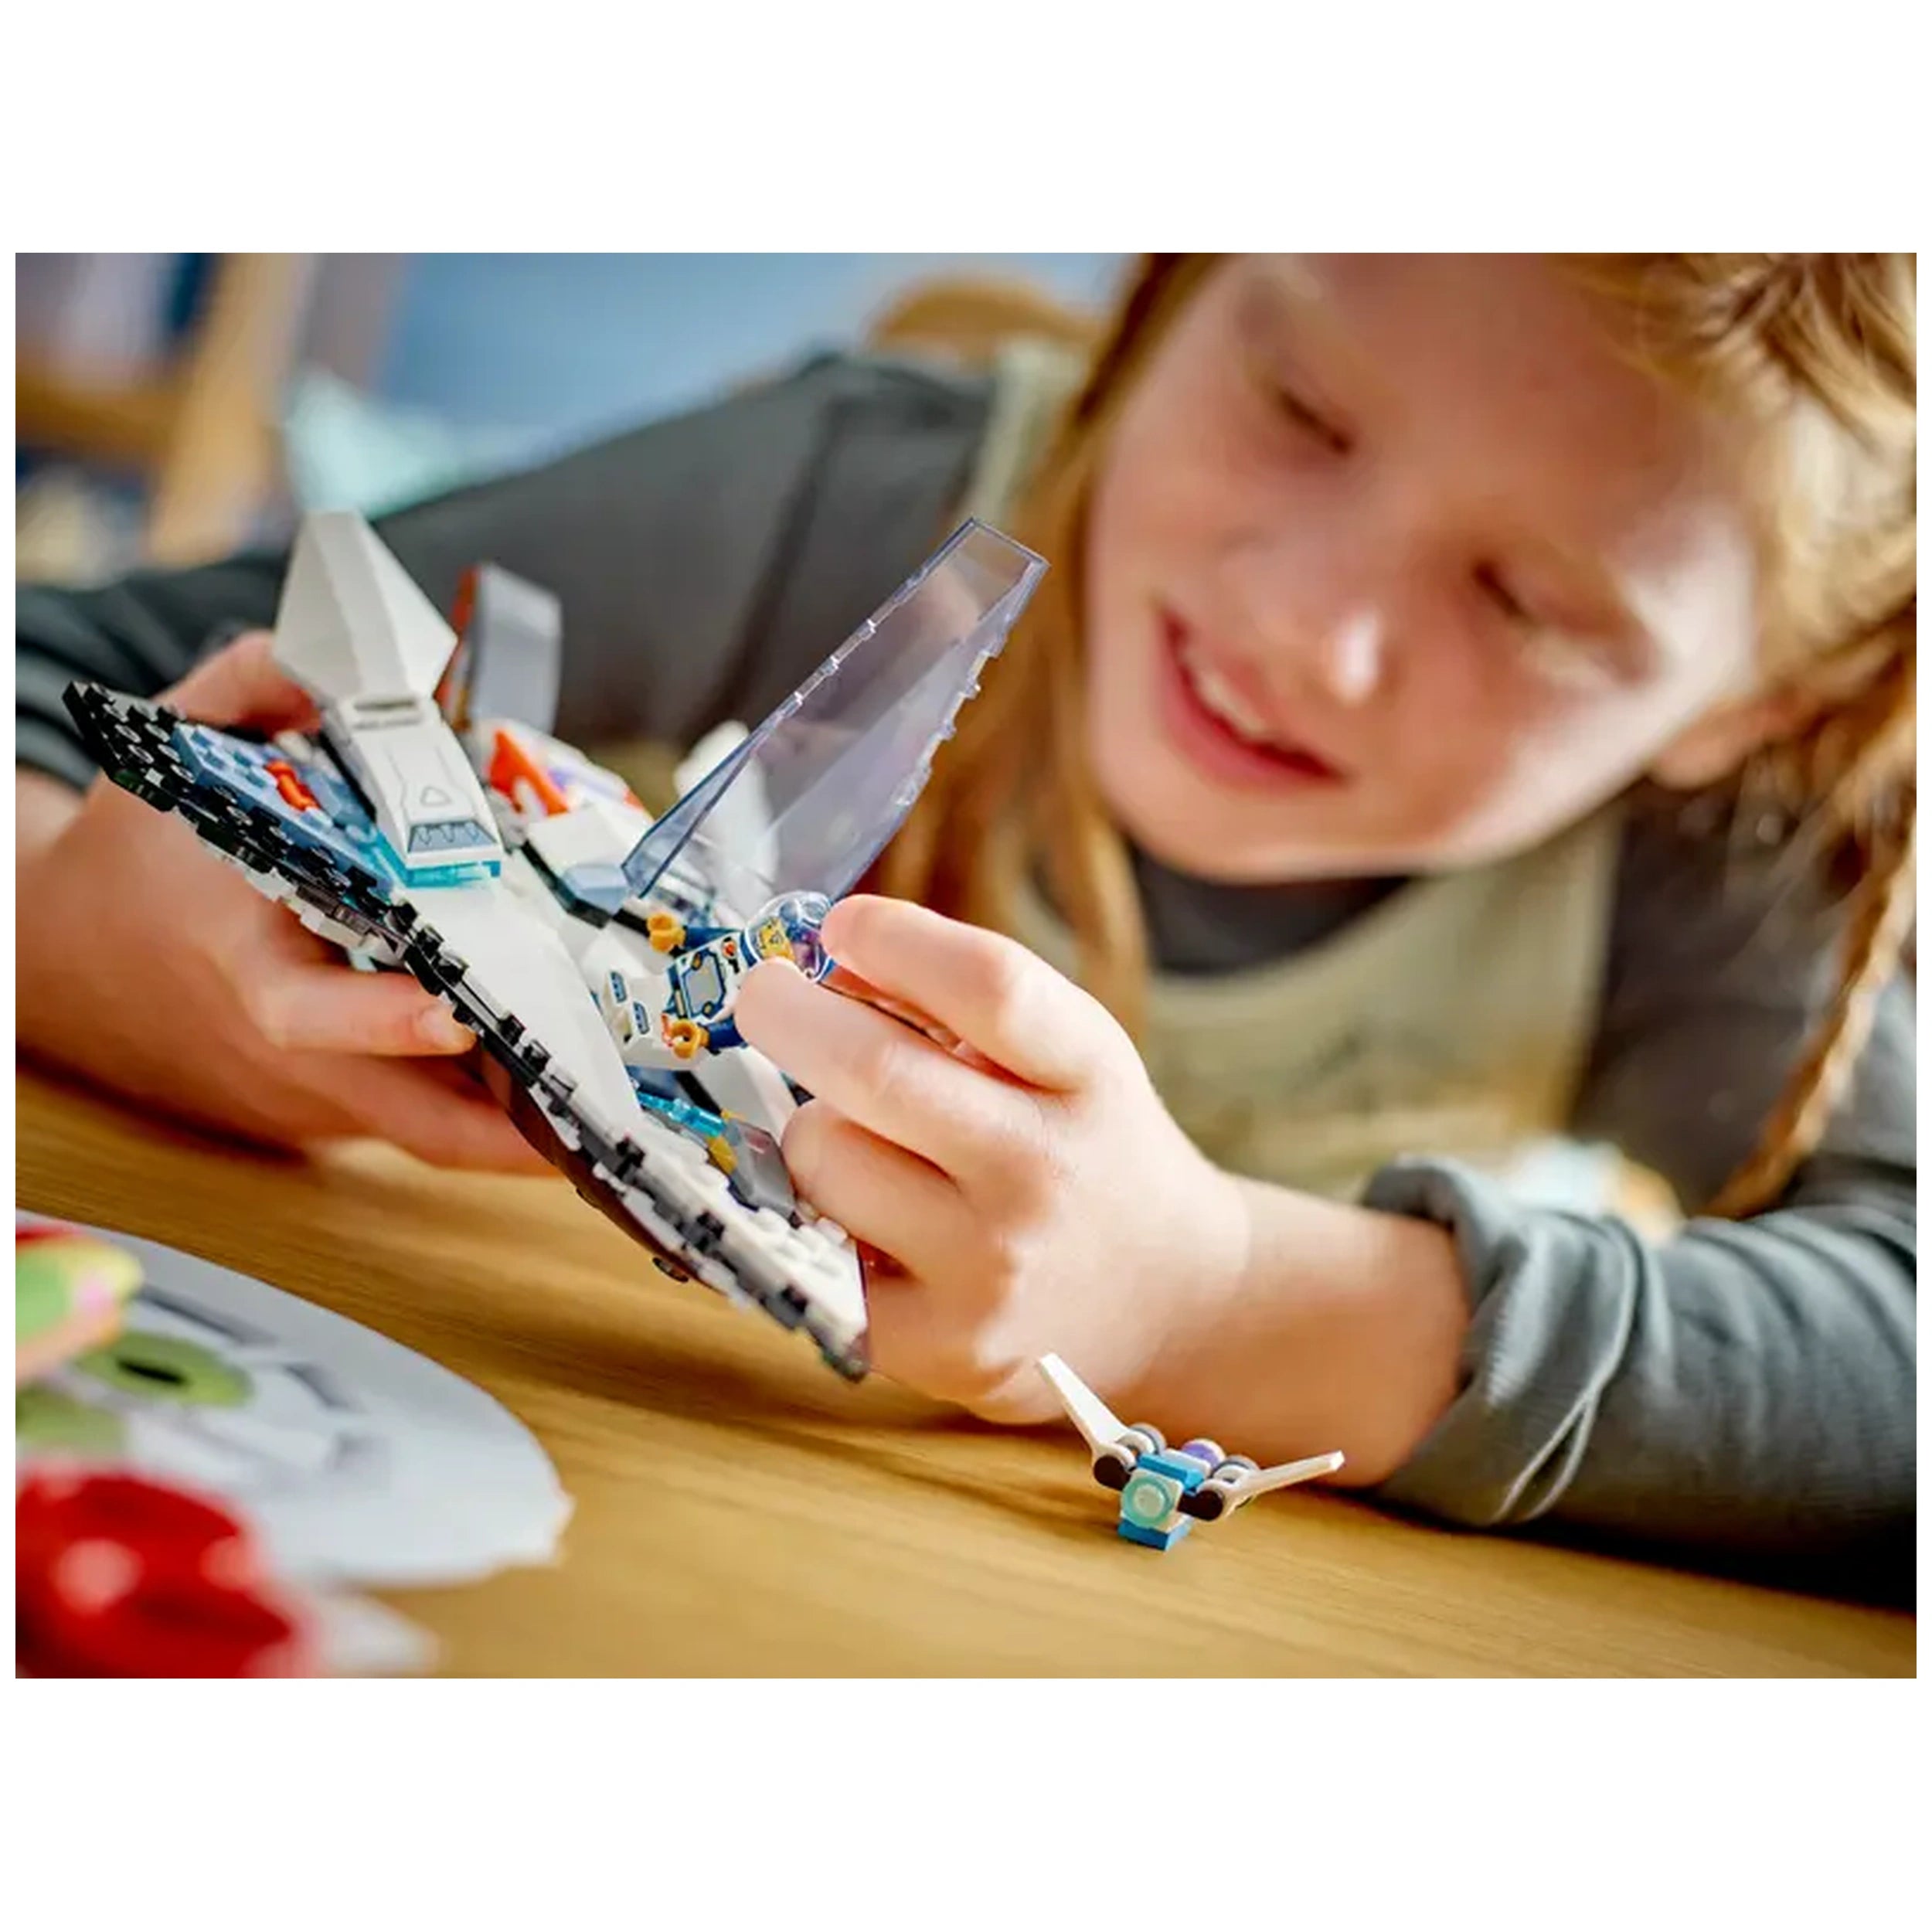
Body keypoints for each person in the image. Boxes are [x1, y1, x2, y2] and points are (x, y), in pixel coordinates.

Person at [16, 255, 1915, 1598]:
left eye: (1532, 603)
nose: (1301, 624)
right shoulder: (852, 490)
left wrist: (1224, 1305)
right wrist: (64, 928)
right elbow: (51, 676)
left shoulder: (1722, 865)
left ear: (1758, 703)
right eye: (1301, 406)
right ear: (1175, 287)